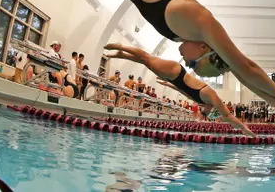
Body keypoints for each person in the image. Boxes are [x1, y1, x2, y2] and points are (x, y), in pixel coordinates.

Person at [0, 0, 275, 124]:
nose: (188, 64)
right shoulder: (201, 21)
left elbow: (242, 73)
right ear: (205, 48)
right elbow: (244, 66)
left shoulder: (194, 36)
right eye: (195, 64)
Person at [105, 43, 256, 137]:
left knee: (147, 63)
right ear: (213, 108)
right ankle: (122, 46)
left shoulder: (200, 100)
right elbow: (228, 116)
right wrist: (244, 129)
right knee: (147, 58)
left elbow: (183, 91)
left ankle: (122, 55)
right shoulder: (212, 95)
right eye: (209, 113)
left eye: (206, 114)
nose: (206, 112)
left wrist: (167, 85)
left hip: (174, 78)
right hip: (176, 71)